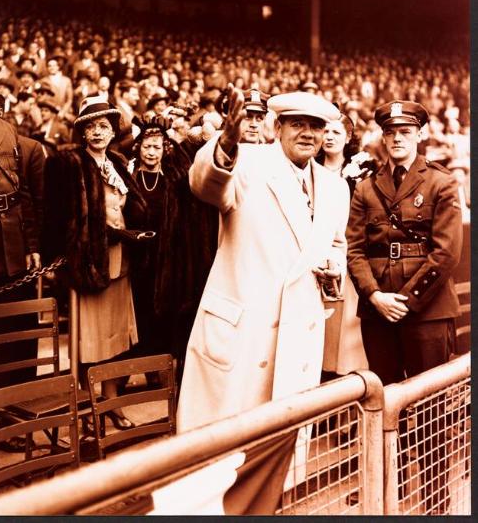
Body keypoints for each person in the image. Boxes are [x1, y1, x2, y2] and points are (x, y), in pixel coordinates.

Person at [176, 86, 350, 432]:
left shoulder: (334, 186)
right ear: (278, 127)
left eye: (315, 126)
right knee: (222, 453)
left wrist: (333, 268)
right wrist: (225, 142)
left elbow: (336, 244)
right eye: (297, 124)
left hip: (297, 334)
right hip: (245, 334)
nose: (308, 133)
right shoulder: (245, 162)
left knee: (281, 449)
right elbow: (204, 184)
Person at [346, 100, 463, 514]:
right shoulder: (366, 186)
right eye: (390, 132)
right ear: (383, 136)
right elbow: (355, 250)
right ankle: (387, 497)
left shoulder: (442, 183)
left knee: (430, 409)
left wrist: (406, 301)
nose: (397, 139)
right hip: (379, 314)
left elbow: (447, 253)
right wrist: (375, 296)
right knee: (381, 406)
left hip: (427, 313)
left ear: (419, 136)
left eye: (405, 132)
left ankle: (435, 502)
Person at [42, 96, 149, 431]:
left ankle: (111, 404)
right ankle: (89, 412)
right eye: (92, 126)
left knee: (117, 339)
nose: (99, 132)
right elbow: (62, 217)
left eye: (104, 126)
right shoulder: (70, 162)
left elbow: (134, 205)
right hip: (90, 265)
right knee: (90, 343)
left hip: (121, 264)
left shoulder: (117, 162)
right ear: (82, 133)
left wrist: (135, 230)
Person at [128, 123, 218, 386]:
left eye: (157, 147)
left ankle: (159, 368)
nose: (152, 152)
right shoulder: (129, 177)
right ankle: (145, 368)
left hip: (166, 255)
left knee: (162, 315)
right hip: (138, 256)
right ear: (139, 148)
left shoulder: (173, 179)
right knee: (140, 314)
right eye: (147, 147)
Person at [0, 50, 41, 398]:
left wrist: (33, 245)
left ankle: (19, 407)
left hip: (14, 247)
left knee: (20, 330)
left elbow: (26, 195)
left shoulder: (7, 129)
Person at [315, 114, 370, 379]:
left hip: (350, 251)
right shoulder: (310, 168)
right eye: (325, 131)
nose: (329, 137)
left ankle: (347, 375)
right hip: (317, 252)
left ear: (348, 137)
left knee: (347, 320)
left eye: (336, 132)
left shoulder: (360, 171)